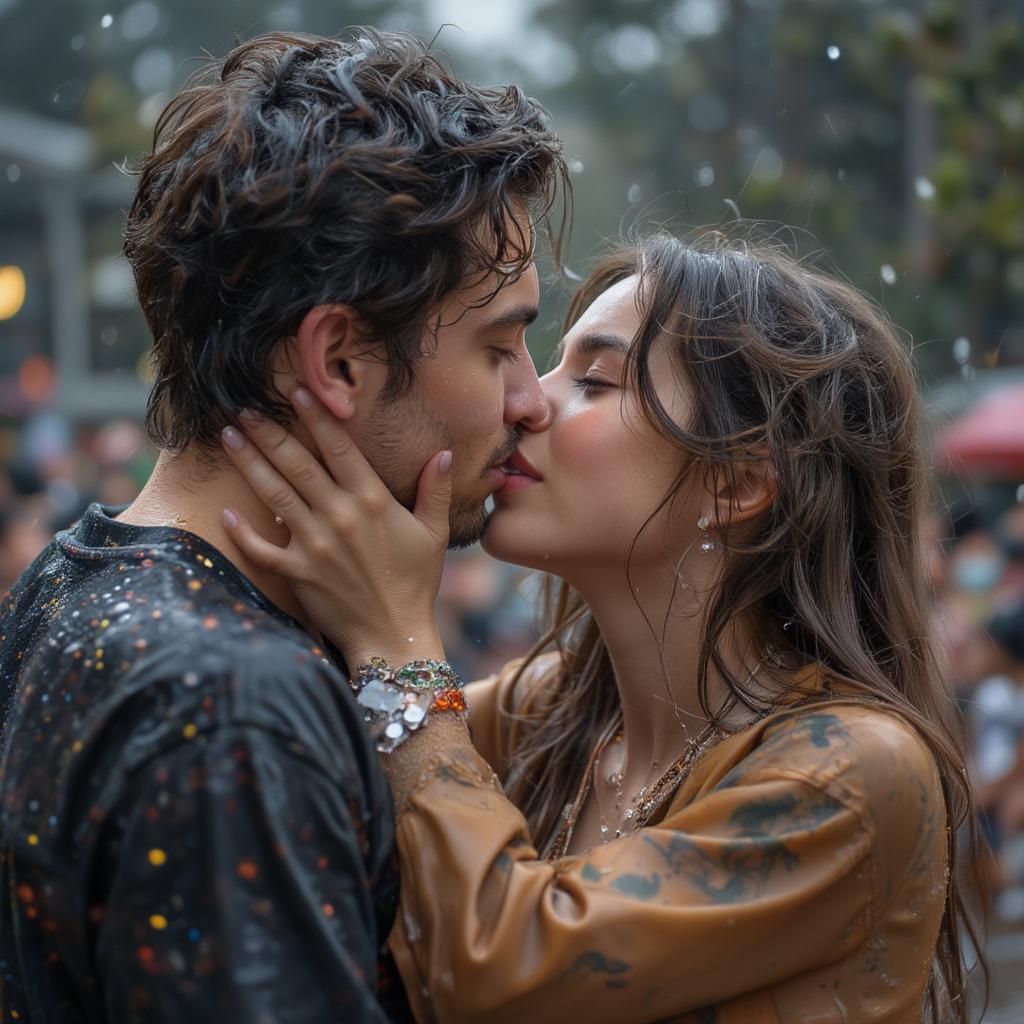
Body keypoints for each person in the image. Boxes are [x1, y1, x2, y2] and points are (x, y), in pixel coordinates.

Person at [220, 231, 985, 1023]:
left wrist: (397, 646)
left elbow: (492, 969)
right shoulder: (544, 712)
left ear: (737, 483)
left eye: (591, 380)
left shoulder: (855, 775)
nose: (528, 401)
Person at [0, 28, 566, 1022]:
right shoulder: (233, 708)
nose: (533, 399)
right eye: (501, 345)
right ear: (338, 361)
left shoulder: (74, 573)